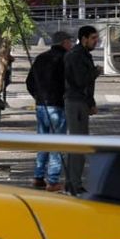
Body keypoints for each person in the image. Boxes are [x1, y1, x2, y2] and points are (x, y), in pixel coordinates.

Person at [26, 31, 73, 191]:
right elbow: (70, 82)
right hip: (57, 106)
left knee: (43, 141)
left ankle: (38, 177)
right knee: (56, 143)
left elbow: (29, 81)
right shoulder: (65, 59)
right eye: (69, 42)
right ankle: (53, 180)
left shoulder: (41, 58)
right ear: (64, 42)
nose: (71, 45)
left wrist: (38, 96)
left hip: (41, 106)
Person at [63, 25, 100, 195]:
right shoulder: (76, 55)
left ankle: (74, 181)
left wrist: (91, 103)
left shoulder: (83, 55)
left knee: (80, 143)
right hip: (75, 101)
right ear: (83, 39)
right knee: (78, 143)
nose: (96, 41)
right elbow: (80, 80)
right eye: (93, 38)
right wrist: (95, 72)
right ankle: (73, 183)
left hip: (81, 102)